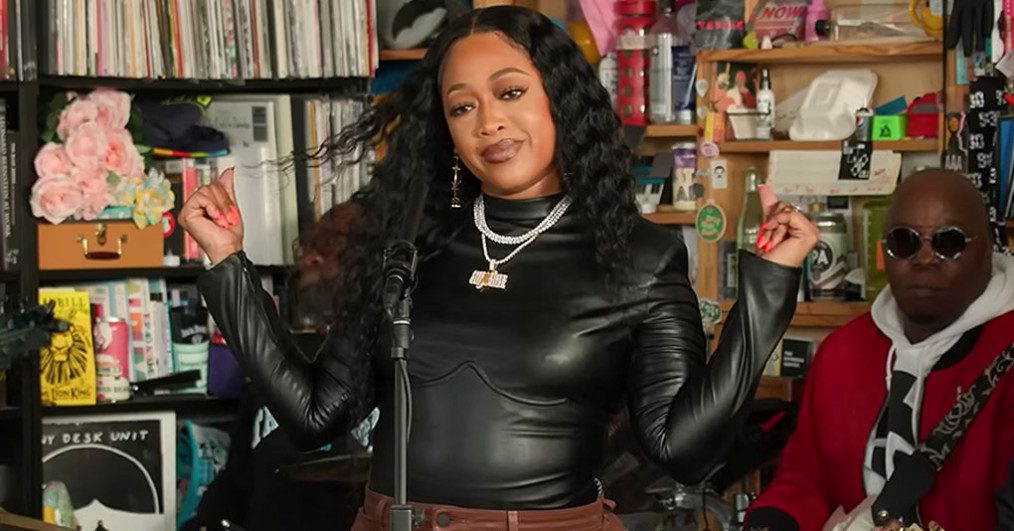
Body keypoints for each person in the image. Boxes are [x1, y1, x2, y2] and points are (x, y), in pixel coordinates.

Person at [180, 6, 817, 530]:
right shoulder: (407, 247)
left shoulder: (639, 258)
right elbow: (314, 414)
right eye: (462, 107)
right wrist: (227, 262)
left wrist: (768, 290)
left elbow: (682, 451)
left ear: (559, 100)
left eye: (510, 92)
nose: (489, 122)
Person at [744, 169, 1014, 530]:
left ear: (988, 250)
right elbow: (804, 479)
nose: (925, 258)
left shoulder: (1006, 353)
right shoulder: (842, 353)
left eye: (949, 243)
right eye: (904, 242)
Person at [180, 203, 370, 531]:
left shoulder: (399, 362)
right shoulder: (275, 355)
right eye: (311, 246)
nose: (309, 258)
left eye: (334, 247)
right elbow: (236, 484)